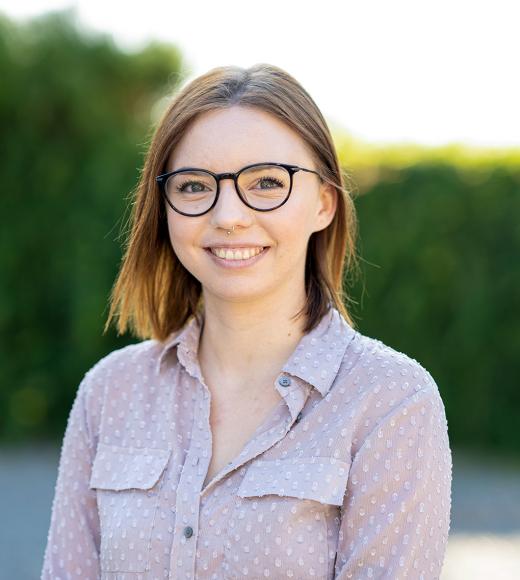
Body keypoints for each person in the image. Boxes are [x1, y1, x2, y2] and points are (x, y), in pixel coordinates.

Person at [41, 63, 452, 580]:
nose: (229, 216)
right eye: (193, 186)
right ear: (163, 207)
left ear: (324, 203)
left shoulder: (390, 402)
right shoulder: (108, 394)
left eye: (265, 183)